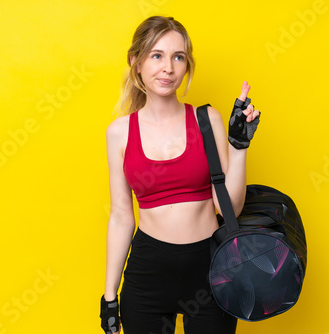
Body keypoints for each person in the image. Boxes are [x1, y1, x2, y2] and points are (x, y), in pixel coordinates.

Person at [100, 16, 260, 334]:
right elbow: (121, 217)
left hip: (210, 268)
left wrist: (239, 146)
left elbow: (230, 209)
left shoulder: (207, 120)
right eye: (157, 55)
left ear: (187, 65)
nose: (168, 68)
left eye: (178, 57)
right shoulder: (119, 132)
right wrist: (109, 297)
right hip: (148, 273)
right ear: (136, 61)